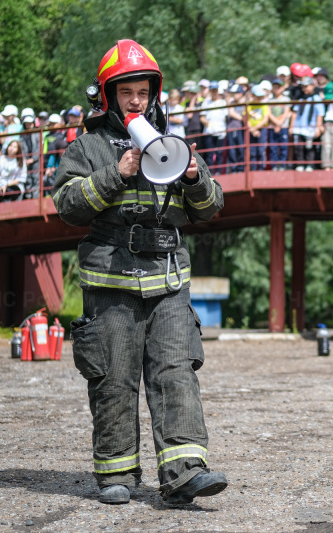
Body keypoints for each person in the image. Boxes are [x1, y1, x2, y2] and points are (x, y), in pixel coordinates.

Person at [51, 39, 226, 506]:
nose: (135, 101)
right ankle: (116, 473)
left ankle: (185, 471)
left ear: (154, 94)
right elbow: (67, 205)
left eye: (143, 91)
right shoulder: (87, 147)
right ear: (107, 95)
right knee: (113, 377)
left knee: (176, 372)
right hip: (111, 280)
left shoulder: (175, 143)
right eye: (126, 91)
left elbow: (212, 208)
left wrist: (194, 176)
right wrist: (116, 173)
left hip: (167, 279)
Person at [291, 77, 325, 171]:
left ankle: (310, 164)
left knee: (310, 147)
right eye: (303, 87)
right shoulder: (301, 98)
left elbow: (320, 114)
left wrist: (318, 127)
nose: (305, 88)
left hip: (310, 127)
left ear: (313, 86)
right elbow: (295, 112)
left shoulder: (316, 98)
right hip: (299, 126)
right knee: (299, 147)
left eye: (307, 86)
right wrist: (291, 126)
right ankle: (300, 164)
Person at [200, 81, 226, 174]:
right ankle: (210, 172)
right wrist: (206, 122)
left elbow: (226, 117)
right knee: (210, 153)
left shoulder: (223, 102)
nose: (214, 92)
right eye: (212, 90)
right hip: (209, 131)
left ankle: (219, 170)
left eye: (215, 90)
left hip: (220, 131)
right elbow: (202, 117)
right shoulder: (206, 102)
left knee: (219, 152)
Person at [268, 79, 293, 170]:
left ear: (282, 88)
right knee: (273, 148)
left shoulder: (286, 99)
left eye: (279, 87)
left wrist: (279, 124)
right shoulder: (270, 100)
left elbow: (287, 112)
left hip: (283, 127)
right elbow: (269, 113)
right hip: (272, 127)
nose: (277, 89)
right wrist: (276, 124)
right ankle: (274, 166)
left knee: (283, 147)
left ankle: (282, 165)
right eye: (275, 87)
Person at [19, 109, 41, 199]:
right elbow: (22, 148)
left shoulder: (37, 133)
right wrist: (25, 159)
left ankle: (35, 198)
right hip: (26, 160)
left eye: (30, 123)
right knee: (27, 179)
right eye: (27, 123)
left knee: (35, 179)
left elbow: (39, 147)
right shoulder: (22, 134)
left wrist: (33, 159)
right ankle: (28, 198)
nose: (28, 125)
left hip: (35, 160)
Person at [247, 85, 270, 171]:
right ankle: (253, 169)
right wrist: (252, 130)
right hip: (251, 131)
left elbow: (265, 119)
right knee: (252, 151)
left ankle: (261, 169)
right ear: (252, 95)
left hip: (262, 130)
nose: (260, 97)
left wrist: (255, 129)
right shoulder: (248, 105)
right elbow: (246, 119)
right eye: (258, 95)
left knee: (261, 150)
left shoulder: (264, 105)